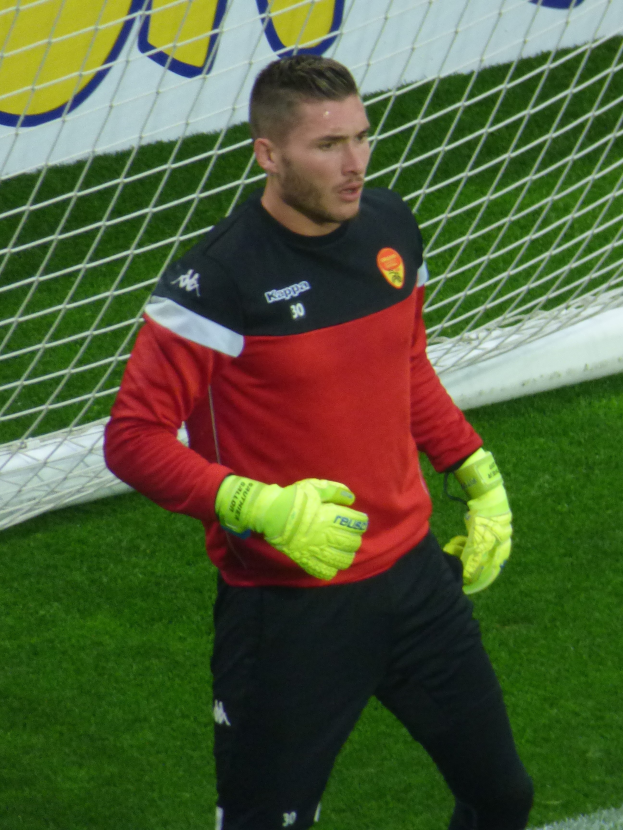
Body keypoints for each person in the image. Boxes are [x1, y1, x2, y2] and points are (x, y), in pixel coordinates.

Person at [104, 55, 533, 830]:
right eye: (329, 145)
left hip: (415, 586)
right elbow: (132, 439)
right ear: (268, 154)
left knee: (501, 799)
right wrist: (256, 504)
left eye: (363, 138)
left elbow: (404, 368)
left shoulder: (390, 227)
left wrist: (475, 470)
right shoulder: (218, 280)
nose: (356, 164)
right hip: (287, 614)